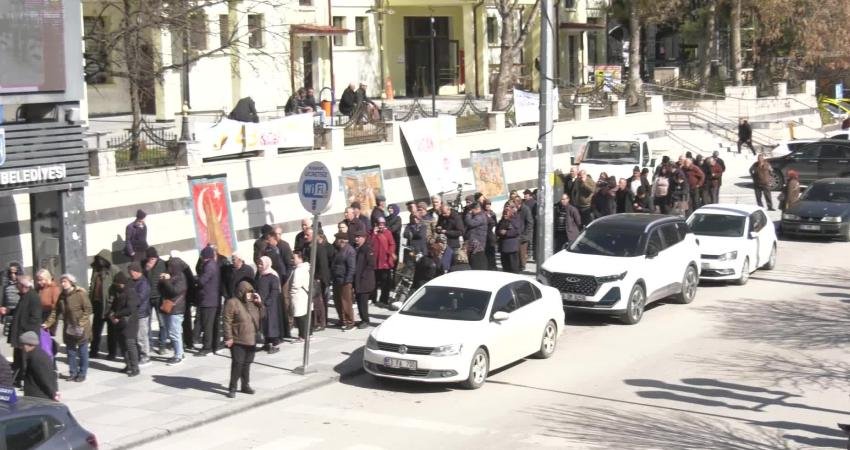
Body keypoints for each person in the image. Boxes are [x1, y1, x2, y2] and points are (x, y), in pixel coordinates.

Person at [222, 281, 264, 399]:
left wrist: (260, 304)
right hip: (238, 339)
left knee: (247, 363)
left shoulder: (252, 303)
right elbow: (227, 321)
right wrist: (228, 337)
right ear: (241, 292)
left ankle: (245, 385)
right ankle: (232, 387)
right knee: (237, 364)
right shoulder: (232, 303)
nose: (249, 295)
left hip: (251, 339)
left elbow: (263, 316)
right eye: (247, 292)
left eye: (251, 292)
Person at [3, 275, 42, 386]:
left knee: (25, 360)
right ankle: (17, 379)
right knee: (18, 359)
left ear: (24, 285)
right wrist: (9, 311)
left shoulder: (33, 297)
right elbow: (20, 312)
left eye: (18, 284)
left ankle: (27, 380)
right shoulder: (24, 296)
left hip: (26, 335)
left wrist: (24, 333)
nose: (16, 286)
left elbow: (35, 318)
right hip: (20, 334)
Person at [159, 256, 189, 365]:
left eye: (170, 266)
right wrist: (162, 280)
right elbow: (162, 290)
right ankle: (180, 352)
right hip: (169, 308)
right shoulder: (171, 276)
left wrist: (166, 281)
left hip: (176, 309)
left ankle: (178, 356)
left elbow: (174, 291)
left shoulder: (181, 277)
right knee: (173, 332)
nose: (168, 268)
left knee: (174, 333)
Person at [109, 272, 140, 377]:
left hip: (130, 322)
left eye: (118, 283)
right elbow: (113, 305)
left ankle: (135, 367)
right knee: (122, 345)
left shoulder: (130, 291)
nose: (117, 285)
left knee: (130, 345)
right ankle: (128, 365)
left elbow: (130, 309)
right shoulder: (118, 291)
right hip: (120, 322)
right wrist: (111, 314)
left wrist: (116, 315)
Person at [89, 250, 119, 360]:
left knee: (112, 331)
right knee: (96, 329)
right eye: (98, 259)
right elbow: (92, 285)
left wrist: (113, 301)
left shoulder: (113, 270)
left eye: (102, 259)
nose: (99, 261)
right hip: (98, 304)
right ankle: (93, 350)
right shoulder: (95, 270)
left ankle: (112, 353)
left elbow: (119, 285)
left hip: (110, 304)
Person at [18, 331, 58, 401]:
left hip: (39, 396)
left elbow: (45, 379)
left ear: (29, 344)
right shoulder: (33, 354)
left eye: (22, 344)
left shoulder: (38, 358)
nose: (20, 347)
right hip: (34, 394)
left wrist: (54, 394)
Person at [196, 246, 222, 356]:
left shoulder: (208, 266)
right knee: (213, 324)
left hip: (208, 300)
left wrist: (196, 280)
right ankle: (215, 346)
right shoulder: (214, 264)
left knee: (208, 325)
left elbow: (202, 281)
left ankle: (207, 348)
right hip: (213, 299)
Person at [143, 247, 168, 355]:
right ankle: (150, 345)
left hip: (159, 297)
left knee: (162, 323)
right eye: (150, 259)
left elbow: (168, 276)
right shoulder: (143, 264)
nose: (152, 260)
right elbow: (141, 279)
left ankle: (162, 345)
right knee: (146, 323)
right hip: (147, 298)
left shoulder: (162, 264)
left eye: (154, 258)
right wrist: (146, 270)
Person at [256, 256, 283, 353]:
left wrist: (267, 302)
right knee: (264, 324)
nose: (259, 266)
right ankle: (267, 343)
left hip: (270, 306)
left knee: (271, 324)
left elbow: (275, 291)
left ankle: (275, 345)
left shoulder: (273, 276)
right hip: (261, 304)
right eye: (258, 263)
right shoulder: (260, 275)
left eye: (261, 264)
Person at [332, 232, 357, 330]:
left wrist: (347, 280)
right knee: (337, 300)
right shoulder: (338, 249)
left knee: (346, 301)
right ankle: (342, 319)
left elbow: (351, 268)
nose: (335, 241)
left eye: (337, 239)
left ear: (341, 240)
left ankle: (350, 322)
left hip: (345, 281)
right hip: (337, 279)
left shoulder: (349, 251)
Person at [128, 263, 151, 365]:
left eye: (131, 272)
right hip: (134, 313)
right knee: (136, 336)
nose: (130, 274)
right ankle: (139, 355)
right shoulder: (133, 281)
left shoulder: (143, 283)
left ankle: (145, 357)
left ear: (137, 271)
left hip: (141, 313)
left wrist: (129, 299)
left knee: (142, 336)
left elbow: (140, 298)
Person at [370, 217, 396, 307]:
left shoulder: (388, 233)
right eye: (379, 224)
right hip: (375, 262)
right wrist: (374, 234)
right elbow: (369, 244)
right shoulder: (371, 233)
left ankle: (384, 299)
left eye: (382, 224)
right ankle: (373, 298)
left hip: (385, 262)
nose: (381, 226)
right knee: (374, 282)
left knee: (385, 282)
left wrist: (391, 252)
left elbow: (392, 244)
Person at [353, 230, 376, 329]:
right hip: (358, 280)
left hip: (365, 281)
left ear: (364, 238)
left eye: (359, 237)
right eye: (356, 237)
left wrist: (363, 275)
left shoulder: (367, 249)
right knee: (359, 301)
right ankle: (362, 319)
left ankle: (366, 320)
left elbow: (371, 265)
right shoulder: (356, 248)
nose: (356, 239)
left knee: (363, 303)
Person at [289, 252, 311, 341]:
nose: (292, 260)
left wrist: (291, 291)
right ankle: (307, 334)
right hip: (303, 294)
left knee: (299, 316)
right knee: (304, 315)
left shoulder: (299, 270)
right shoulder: (305, 268)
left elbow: (296, 284)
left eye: (294, 258)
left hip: (298, 295)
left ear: (300, 258)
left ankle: (302, 336)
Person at [497, 205, 522, 274]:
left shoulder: (515, 220)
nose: (505, 213)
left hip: (512, 248)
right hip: (503, 248)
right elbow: (497, 231)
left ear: (511, 212)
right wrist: (499, 232)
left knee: (513, 268)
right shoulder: (501, 221)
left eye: (507, 212)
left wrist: (506, 232)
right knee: (505, 268)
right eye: (504, 212)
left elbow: (517, 231)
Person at [35, 269, 60, 334]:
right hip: (39, 316)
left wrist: (48, 323)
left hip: (49, 316)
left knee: (46, 339)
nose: (39, 282)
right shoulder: (38, 289)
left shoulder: (54, 289)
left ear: (47, 279)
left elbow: (56, 309)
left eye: (41, 280)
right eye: (38, 280)